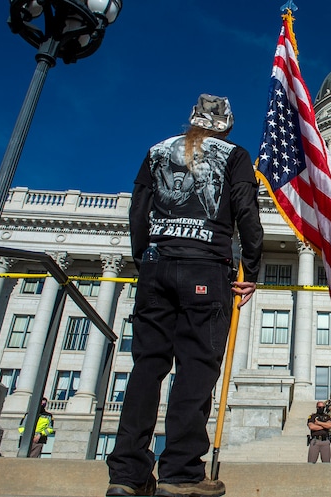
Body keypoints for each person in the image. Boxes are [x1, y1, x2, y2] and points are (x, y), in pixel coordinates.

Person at [106, 94, 263, 497]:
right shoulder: (235, 155)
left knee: (146, 368)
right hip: (206, 268)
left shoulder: (157, 151)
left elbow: (137, 212)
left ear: (190, 120)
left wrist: (145, 260)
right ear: (226, 125)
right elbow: (247, 213)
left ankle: (127, 474)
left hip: (157, 263)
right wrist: (253, 268)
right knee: (195, 369)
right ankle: (179, 472)